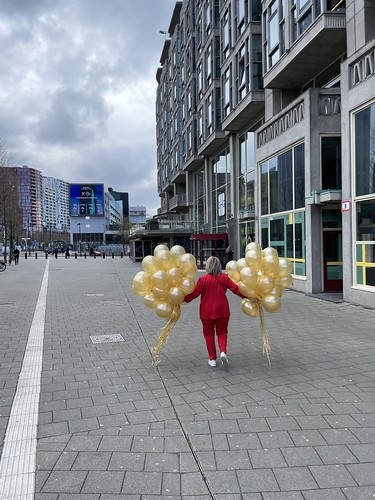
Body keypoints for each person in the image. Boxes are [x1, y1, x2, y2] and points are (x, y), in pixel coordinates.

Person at [184, 255, 245, 368]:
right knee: (222, 332)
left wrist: (183, 300)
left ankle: (212, 359)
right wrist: (247, 297)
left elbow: (194, 294)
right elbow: (236, 289)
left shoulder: (203, 279)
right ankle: (223, 352)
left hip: (206, 311)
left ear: (207, 266)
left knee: (209, 334)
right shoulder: (225, 278)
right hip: (223, 310)